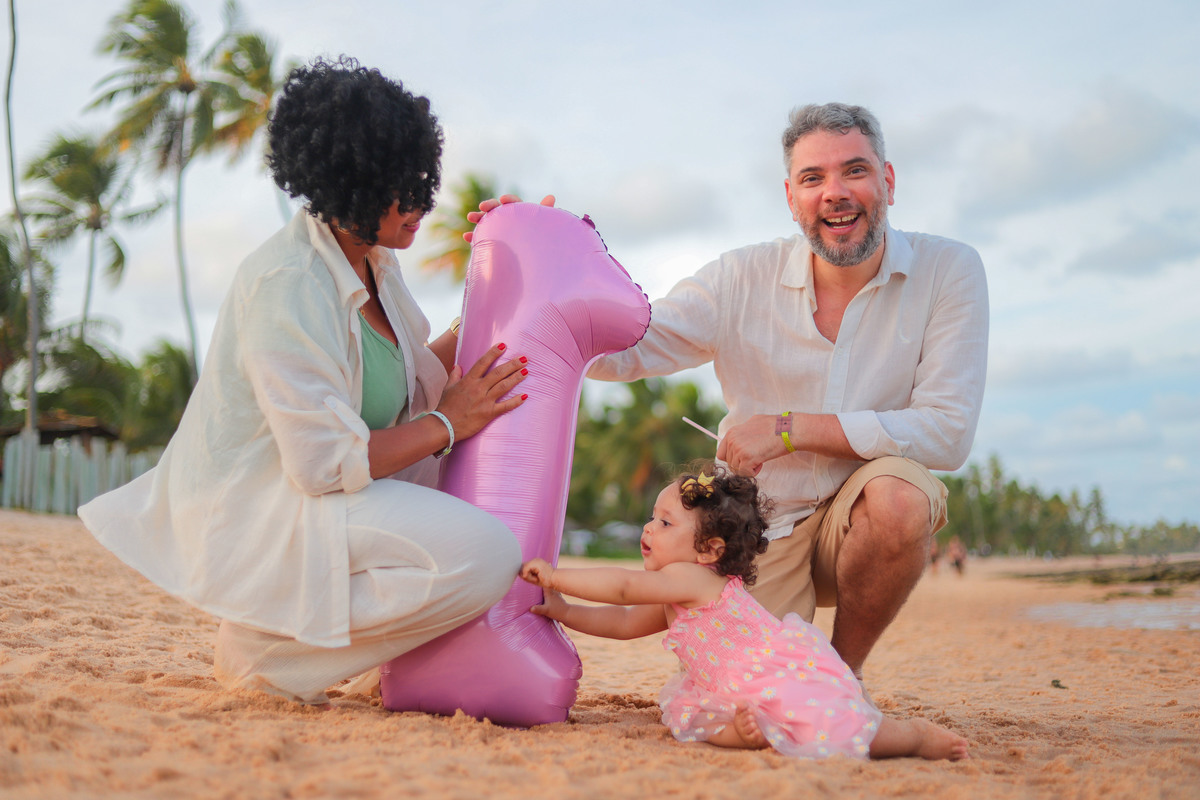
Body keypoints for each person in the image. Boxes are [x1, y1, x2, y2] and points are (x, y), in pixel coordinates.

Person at [78, 56, 537, 705]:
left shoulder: (374, 259)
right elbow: (324, 461)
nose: (422, 203)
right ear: (349, 183)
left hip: (344, 492)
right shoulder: (288, 283)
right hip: (282, 507)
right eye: (399, 187)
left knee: (479, 496)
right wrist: (445, 425)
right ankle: (276, 653)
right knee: (487, 554)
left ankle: (294, 633)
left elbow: (414, 379)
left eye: (422, 179)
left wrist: (507, 257)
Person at [582, 103, 990, 695]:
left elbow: (948, 431)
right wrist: (544, 260)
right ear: (791, 197)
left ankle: (843, 680)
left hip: (864, 518)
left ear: (888, 181)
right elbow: (627, 347)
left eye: (854, 171)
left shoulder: (950, 270)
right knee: (747, 696)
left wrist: (790, 428)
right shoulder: (739, 277)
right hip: (757, 528)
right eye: (812, 178)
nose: (835, 193)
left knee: (899, 498)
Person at [519, 467, 969, 761]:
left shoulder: (691, 579)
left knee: (840, 724)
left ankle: (912, 736)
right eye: (653, 518)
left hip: (771, 672)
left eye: (665, 523)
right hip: (729, 686)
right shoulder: (677, 590)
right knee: (701, 720)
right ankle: (743, 732)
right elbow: (620, 624)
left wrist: (557, 578)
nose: (648, 528)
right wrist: (566, 611)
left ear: (708, 550)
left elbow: (621, 588)